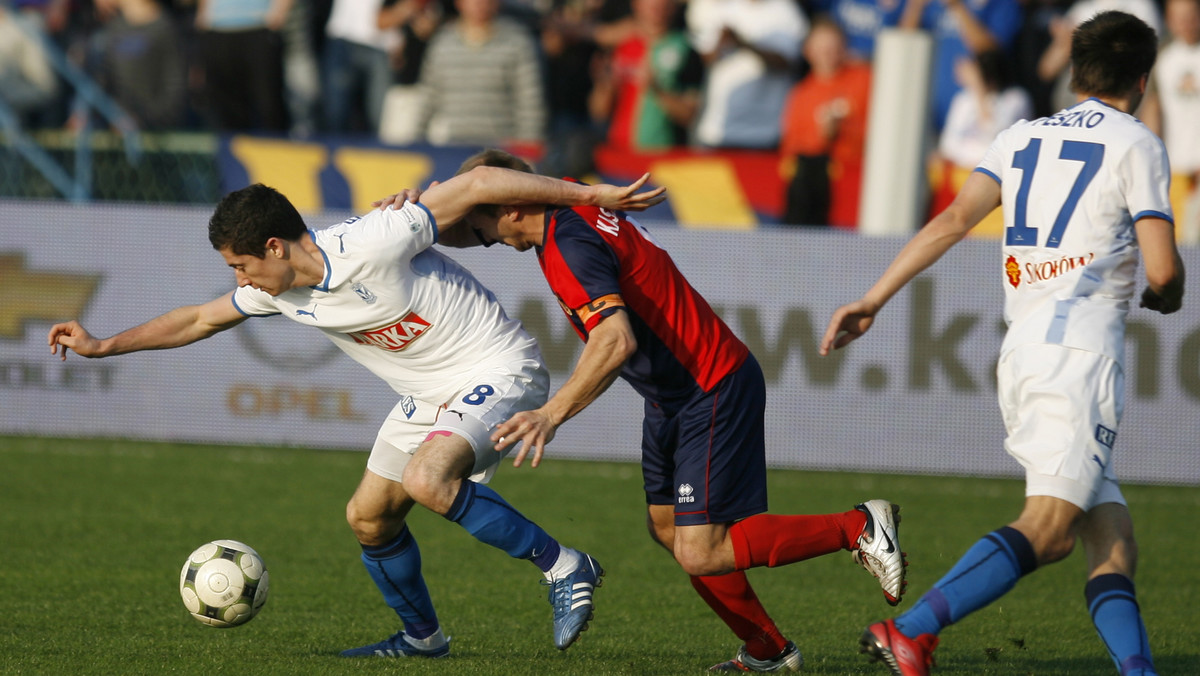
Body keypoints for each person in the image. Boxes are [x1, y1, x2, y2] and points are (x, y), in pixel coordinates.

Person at [47, 168, 666, 656]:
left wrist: (592, 194)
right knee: (369, 520)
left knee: (428, 480)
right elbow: (199, 318)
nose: (241, 281)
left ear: (274, 247)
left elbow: (478, 185)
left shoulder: (374, 238)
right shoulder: (277, 290)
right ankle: (424, 640)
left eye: (241, 266)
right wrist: (104, 344)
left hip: (497, 369)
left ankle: (564, 565)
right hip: (427, 398)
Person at [377, 148, 909, 673]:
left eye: (482, 223)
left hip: (710, 386)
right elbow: (480, 199)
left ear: (513, 207)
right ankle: (767, 650)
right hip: (673, 396)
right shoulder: (569, 202)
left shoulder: (569, 246)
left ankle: (857, 527)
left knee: (701, 550)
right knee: (668, 530)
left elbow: (614, 340)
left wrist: (551, 413)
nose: (480, 236)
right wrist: (412, 215)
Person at [821, 11, 1184, 675]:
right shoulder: (1138, 142)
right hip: (1079, 355)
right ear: (1142, 77)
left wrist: (872, 298)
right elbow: (1162, 271)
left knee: (1111, 537)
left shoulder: (1021, 137)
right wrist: (1170, 291)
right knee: (1047, 531)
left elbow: (957, 218)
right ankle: (913, 629)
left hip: (1024, 352)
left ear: (1075, 73)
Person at [779, 16, 872, 228]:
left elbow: (881, 133)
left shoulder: (865, 79)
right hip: (819, 195)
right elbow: (792, 148)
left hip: (860, 185)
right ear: (808, 51)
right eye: (821, 48)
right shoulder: (801, 94)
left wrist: (844, 130)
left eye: (834, 47)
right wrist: (824, 135)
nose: (828, 54)